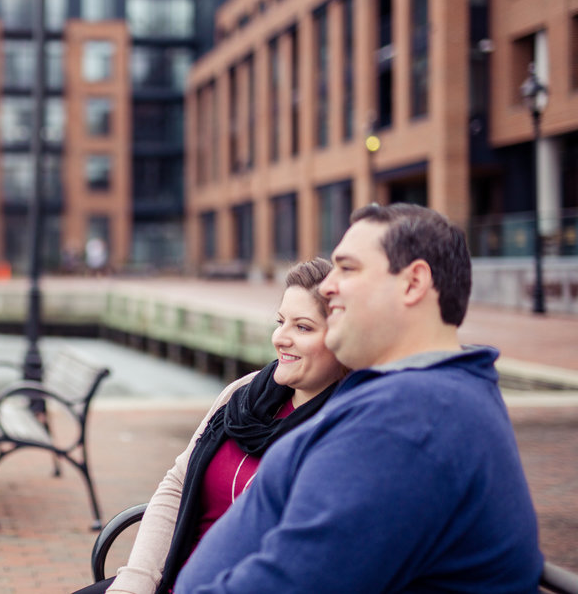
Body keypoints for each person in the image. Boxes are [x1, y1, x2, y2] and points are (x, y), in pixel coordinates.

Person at [174, 203, 543, 594]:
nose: (328, 286)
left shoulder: (410, 423)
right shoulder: (412, 396)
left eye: (347, 268)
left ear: (413, 283)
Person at [77, 258, 347, 594]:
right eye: (280, 322)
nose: (281, 338)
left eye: (302, 327)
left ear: (343, 340)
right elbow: (177, 483)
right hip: (173, 577)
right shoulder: (244, 394)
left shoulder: (344, 428)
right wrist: (136, 580)